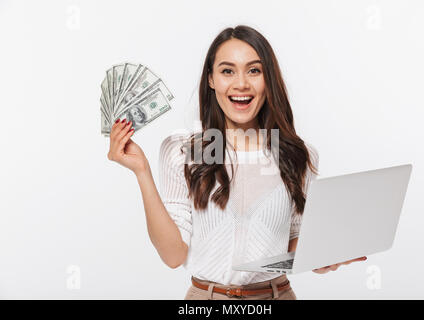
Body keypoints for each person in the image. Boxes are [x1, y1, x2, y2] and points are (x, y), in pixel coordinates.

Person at [107, 25, 367, 300]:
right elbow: (173, 256)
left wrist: (323, 255)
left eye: (254, 70)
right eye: (227, 71)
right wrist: (142, 172)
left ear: (269, 79)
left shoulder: (297, 154)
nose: (241, 84)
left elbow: (292, 242)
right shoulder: (185, 151)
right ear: (211, 79)